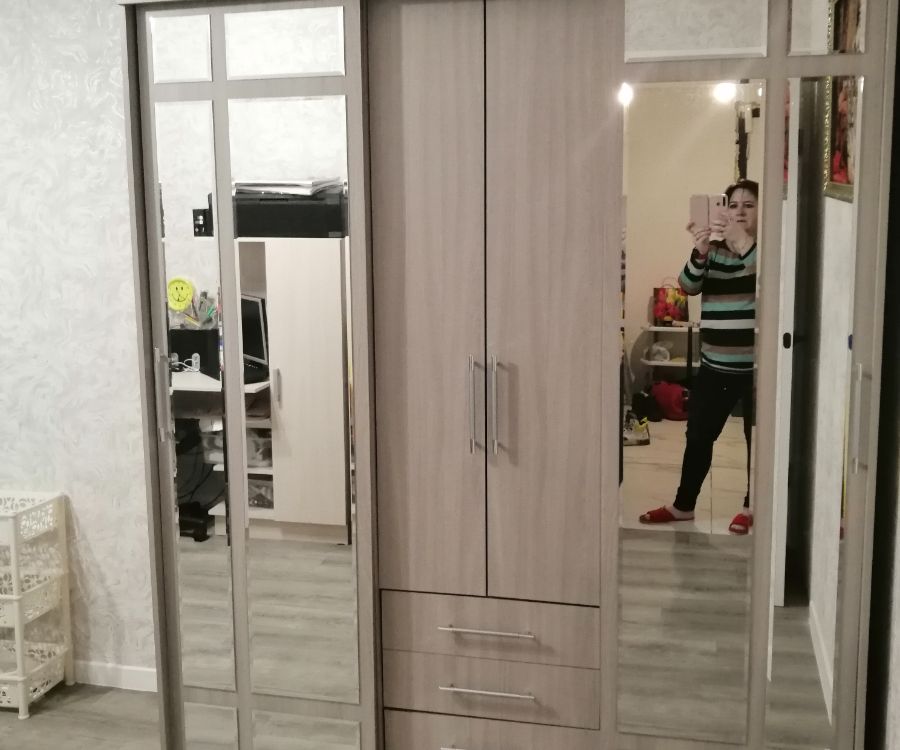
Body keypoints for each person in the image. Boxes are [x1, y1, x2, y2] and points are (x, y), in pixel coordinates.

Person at [639, 180, 758, 534]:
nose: (739, 211)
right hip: (714, 366)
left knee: (757, 439)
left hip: (758, 369)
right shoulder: (716, 250)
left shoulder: (765, 250)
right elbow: (687, 286)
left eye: (748, 205)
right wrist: (701, 250)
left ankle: (751, 507)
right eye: (733, 205)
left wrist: (741, 240)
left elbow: (768, 280)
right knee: (698, 435)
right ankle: (683, 506)